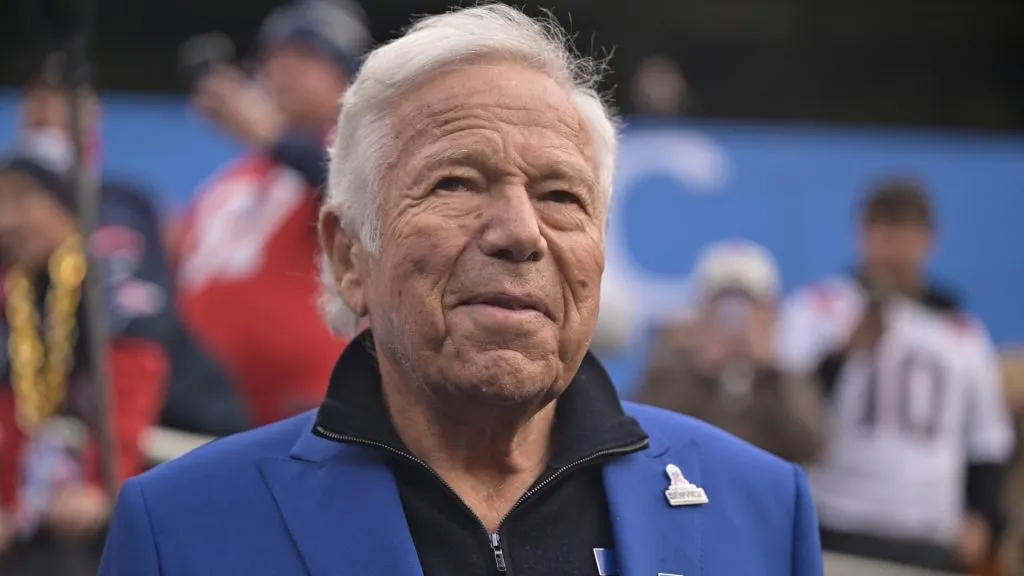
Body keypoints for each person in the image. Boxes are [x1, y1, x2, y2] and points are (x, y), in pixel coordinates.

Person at [98, 5, 822, 575]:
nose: (520, 232)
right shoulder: (182, 527)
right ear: (349, 255)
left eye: (562, 196)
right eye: (456, 183)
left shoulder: (760, 510)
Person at [776, 179, 1014, 573]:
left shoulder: (960, 332)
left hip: (927, 531)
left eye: (903, 231)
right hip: (835, 520)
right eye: (881, 230)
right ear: (862, 233)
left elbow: (987, 440)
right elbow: (784, 418)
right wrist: (841, 356)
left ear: (928, 239)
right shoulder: (817, 310)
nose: (891, 247)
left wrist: (982, 514)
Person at [0, 67, 174, 575]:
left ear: (65, 206)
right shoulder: (26, 283)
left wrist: (103, 484)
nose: (5, 219)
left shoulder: (112, 253)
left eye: (20, 201)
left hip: (176, 448)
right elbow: (13, 396)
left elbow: (132, 369)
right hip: (85, 480)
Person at [168, 0, 370, 425]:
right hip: (201, 410)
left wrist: (273, 136)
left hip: (306, 411)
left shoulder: (355, 157)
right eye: (273, 56)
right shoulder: (234, 179)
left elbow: (367, 198)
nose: (283, 69)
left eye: (306, 55)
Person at [635, 240, 826, 463]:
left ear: (769, 314)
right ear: (702, 312)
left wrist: (770, 371)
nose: (736, 321)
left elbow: (810, 446)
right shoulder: (672, 366)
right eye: (723, 307)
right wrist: (701, 370)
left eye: (748, 307)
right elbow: (647, 437)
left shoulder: (786, 373)